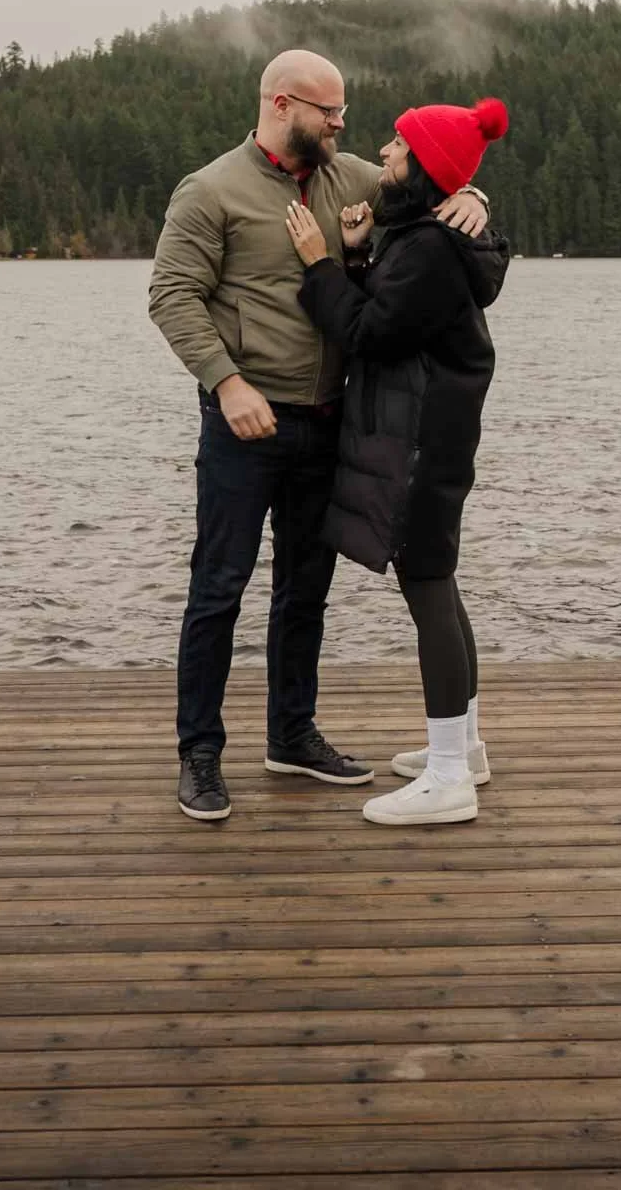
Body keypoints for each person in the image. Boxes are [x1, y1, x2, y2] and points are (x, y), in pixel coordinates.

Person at [148, 50, 490, 821]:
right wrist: (225, 381)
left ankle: (291, 735)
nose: (342, 124)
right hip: (244, 422)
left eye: (343, 112)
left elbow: (425, 187)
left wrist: (474, 197)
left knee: (306, 592)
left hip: (326, 424)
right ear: (281, 104)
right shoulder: (210, 190)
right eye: (327, 112)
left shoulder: (351, 176)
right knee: (218, 589)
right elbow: (171, 295)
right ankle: (199, 753)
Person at [284, 96, 510, 825]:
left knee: (428, 588)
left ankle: (448, 780)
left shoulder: (432, 250)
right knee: (439, 585)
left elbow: (368, 333)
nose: (384, 153)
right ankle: (464, 747)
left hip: (423, 444)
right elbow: (387, 313)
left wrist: (320, 266)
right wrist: (355, 256)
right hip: (433, 440)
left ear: (426, 170)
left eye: (398, 149)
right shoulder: (420, 236)